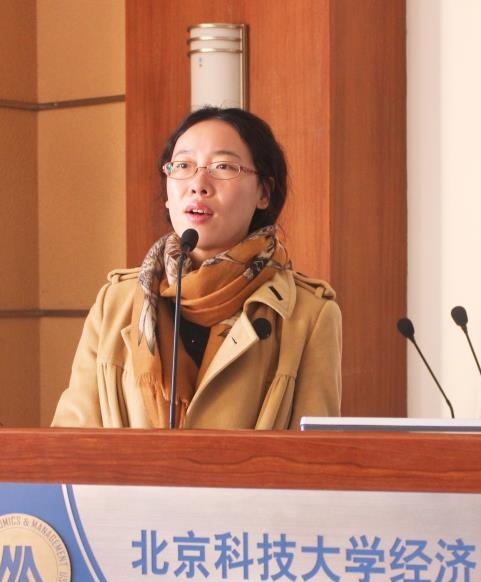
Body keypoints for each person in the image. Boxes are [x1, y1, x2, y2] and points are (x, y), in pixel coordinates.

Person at [51, 107, 342, 429]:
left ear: (264, 192)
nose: (198, 185)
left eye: (223, 166)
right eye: (183, 166)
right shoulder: (115, 303)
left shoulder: (309, 315)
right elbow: (70, 440)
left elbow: (315, 453)